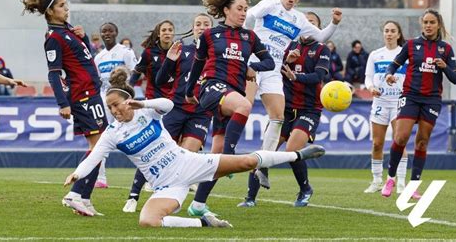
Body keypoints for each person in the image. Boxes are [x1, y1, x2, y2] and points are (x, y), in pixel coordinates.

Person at [63, 68, 326, 228]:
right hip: (166, 185)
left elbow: (167, 105)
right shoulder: (112, 133)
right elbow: (94, 157)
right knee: (147, 222)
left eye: (116, 104)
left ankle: (297, 154)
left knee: (246, 162)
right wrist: (77, 173)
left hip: (187, 163)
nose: (114, 110)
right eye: (109, 107)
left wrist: (143, 104)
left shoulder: (146, 113)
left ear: (127, 100)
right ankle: (202, 221)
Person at [184, 0, 277, 217]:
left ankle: (198, 204)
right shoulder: (210, 35)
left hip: (230, 94)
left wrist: (251, 66)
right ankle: (230, 154)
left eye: (246, 9)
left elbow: (270, 63)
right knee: (245, 105)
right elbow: (197, 63)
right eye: (239, 8)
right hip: (212, 88)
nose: (244, 13)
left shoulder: (250, 36)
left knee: (216, 159)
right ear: (226, 10)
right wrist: (189, 90)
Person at [243, 0, 342, 189]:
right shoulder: (269, 5)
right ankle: (226, 154)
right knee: (243, 107)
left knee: (277, 118)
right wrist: (245, 43)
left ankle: (261, 166)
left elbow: (322, 35)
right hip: (254, 62)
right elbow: (248, 17)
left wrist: (334, 22)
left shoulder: (299, 19)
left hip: (273, 70)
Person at [22, 0, 108, 216]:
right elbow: (54, 74)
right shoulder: (54, 38)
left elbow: (85, 58)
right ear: (50, 11)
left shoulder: (68, 31)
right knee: (99, 146)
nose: (66, 9)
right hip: (83, 96)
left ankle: (84, 198)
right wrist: (63, 103)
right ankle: (75, 194)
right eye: (61, 6)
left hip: (92, 93)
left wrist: (85, 38)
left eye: (66, 4)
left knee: (99, 147)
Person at [122, 13, 214, 213]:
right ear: (193, 28)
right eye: (198, 24)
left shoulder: (218, 54)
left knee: (187, 156)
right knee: (155, 150)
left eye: (206, 24)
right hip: (177, 108)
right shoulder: (183, 50)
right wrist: (170, 60)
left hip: (201, 112)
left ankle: (169, 201)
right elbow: (161, 80)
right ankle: (134, 195)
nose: (202, 27)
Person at [238, 12, 329, 207]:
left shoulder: (322, 49)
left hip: (309, 109)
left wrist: (297, 77)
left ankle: (305, 189)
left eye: (313, 23)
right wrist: (288, 62)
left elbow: (318, 76)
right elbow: (274, 69)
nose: (308, 27)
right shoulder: (288, 46)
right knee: (265, 149)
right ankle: (250, 199)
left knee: (292, 149)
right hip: (285, 108)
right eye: (307, 22)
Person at [382, 9, 456, 199]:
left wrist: (445, 67)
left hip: (431, 99)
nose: (428, 25)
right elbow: (394, 64)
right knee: (401, 137)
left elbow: (455, 78)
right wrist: (389, 75)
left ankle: (414, 185)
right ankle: (390, 178)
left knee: (422, 142)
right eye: (425, 22)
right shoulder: (411, 45)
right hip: (410, 95)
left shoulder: (446, 49)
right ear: (421, 24)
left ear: (438, 25)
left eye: (432, 22)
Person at [123, 20, 176, 206]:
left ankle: (165, 184)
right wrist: (126, 92)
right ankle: (133, 195)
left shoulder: (180, 51)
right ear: (159, 33)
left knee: (171, 147)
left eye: (170, 30)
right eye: (164, 30)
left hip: (174, 104)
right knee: (151, 146)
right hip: (152, 105)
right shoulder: (148, 53)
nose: (167, 33)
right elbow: (136, 74)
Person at [363, 21, 408, 194]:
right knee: (377, 144)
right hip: (380, 103)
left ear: (398, 34)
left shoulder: (405, 54)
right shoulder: (375, 55)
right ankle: (376, 180)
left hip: (399, 103)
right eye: (387, 31)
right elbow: (368, 77)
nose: (389, 34)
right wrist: (371, 88)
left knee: (400, 142)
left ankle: (401, 182)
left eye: (393, 31)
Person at [93, 22, 138, 189]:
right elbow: (97, 81)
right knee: (101, 138)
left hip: (123, 102)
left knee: (133, 135)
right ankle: (101, 178)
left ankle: (146, 177)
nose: (107, 34)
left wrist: (128, 94)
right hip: (105, 102)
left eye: (110, 31)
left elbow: (135, 73)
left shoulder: (125, 52)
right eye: (104, 31)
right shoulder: (99, 57)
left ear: (116, 32)